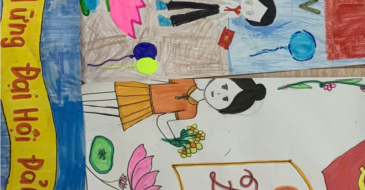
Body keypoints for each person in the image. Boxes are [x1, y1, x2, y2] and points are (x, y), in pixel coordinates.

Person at [81, 77, 266, 131]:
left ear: (222, 110)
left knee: (99, 114)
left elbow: (162, 120)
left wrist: (173, 139)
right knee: (99, 95)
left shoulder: (191, 112)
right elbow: (157, 78)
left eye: (225, 99)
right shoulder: (188, 81)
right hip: (140, 90)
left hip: (145, 109)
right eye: (224, 86)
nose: (218, 93)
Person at [156, 0, 276, 29]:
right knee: (193, 5)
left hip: (215, 11)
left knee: (193, 15)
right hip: (215, 7)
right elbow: (227, 1)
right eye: (249, 2)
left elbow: (226, 16)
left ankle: (170, 22)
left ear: (249, 20)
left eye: (249, 12)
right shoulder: (235, 3)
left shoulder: (235, 14)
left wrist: (219, 21)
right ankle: (167, 6)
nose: (245, 7)